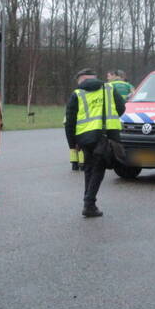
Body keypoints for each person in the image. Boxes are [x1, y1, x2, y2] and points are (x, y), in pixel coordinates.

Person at [65, 68, 126, 217]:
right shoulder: (109, 88)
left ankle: (89, 203)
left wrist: (72, 144)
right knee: (99, 168)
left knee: (89, 168)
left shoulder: (77, 94)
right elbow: (121, 108)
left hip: (84, 136)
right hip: (106, 134)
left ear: (82, 79)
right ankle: (89, 203)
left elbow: (70, 121)